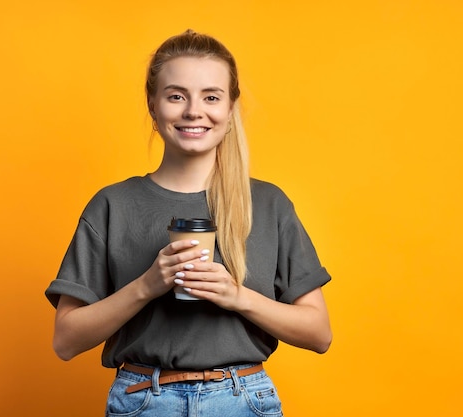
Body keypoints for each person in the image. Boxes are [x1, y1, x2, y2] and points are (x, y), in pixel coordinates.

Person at [45, 29, 332, 417]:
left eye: (211, 97)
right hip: (144, 400)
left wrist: (238, 297)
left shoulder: (269, 204)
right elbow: (65, 341)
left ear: (230, 109)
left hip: (243, 400)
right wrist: (147, 285)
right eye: (176, 95)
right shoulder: (112, 205)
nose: (194, 111)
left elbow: (319, 334)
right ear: (153, 105)